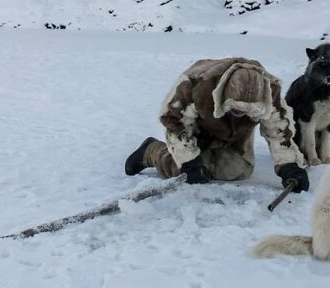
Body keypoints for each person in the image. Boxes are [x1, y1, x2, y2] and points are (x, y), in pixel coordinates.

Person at [124, 57, 309, 192]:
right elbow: (174, 121)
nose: (240, 114)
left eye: (247, 111)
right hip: (198, 128)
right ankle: (152, 151)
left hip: (235, 134)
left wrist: (289, 165)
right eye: (235, 108)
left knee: (238, 171)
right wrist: (189, 161)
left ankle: (208, 157)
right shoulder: (195, 84)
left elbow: (278, 129)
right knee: (187, 171)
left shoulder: (270, 91)